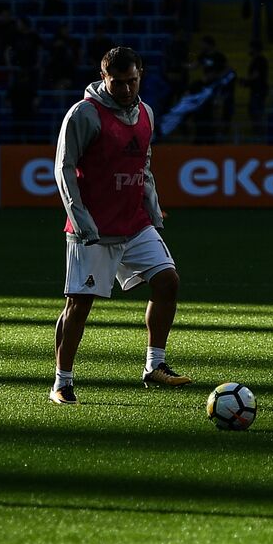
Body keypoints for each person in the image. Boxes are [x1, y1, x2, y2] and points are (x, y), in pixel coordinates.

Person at [51, 46, 190, 404]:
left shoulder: (146, 113)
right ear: (104, 78)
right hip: (94, 227)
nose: (127, 89)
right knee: (79, 305)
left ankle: (154, 365)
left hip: (134, 222)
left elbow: (143, 166)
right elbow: (63, 168)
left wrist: (154, 210)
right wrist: (80, 219)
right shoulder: (84, 114)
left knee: (167, 280)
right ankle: (62, 383)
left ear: (140, 75)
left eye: (133, 81)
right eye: (119, 83)